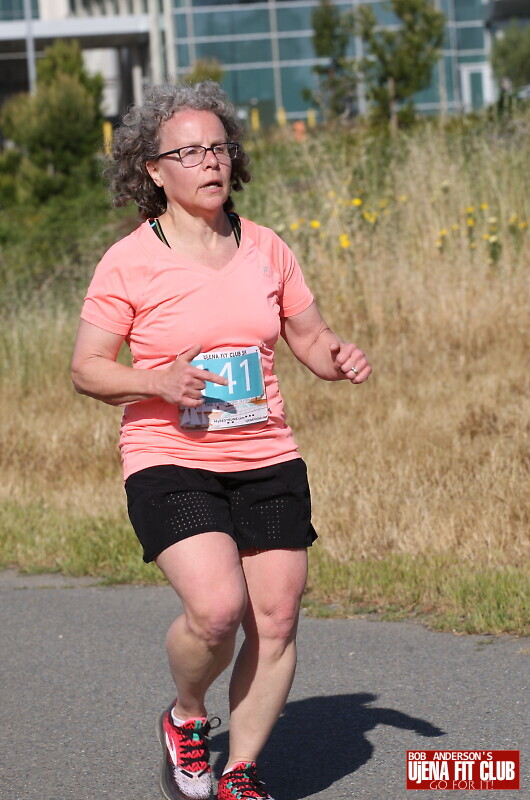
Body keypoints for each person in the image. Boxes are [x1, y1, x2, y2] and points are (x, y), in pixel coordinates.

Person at [71, 81, 371, 800]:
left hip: (266, 455)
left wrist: (338, 358)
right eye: (190, 152)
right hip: (170, 457)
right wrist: (156, 380)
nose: (210, 161)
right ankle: (186, 715)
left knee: (277, 616)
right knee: (215, 610)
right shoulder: (129, 261)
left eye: (219, 148)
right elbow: (87, 369)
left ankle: (240, 771)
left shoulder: (266, 248)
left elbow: (310, 338)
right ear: (153, 170)